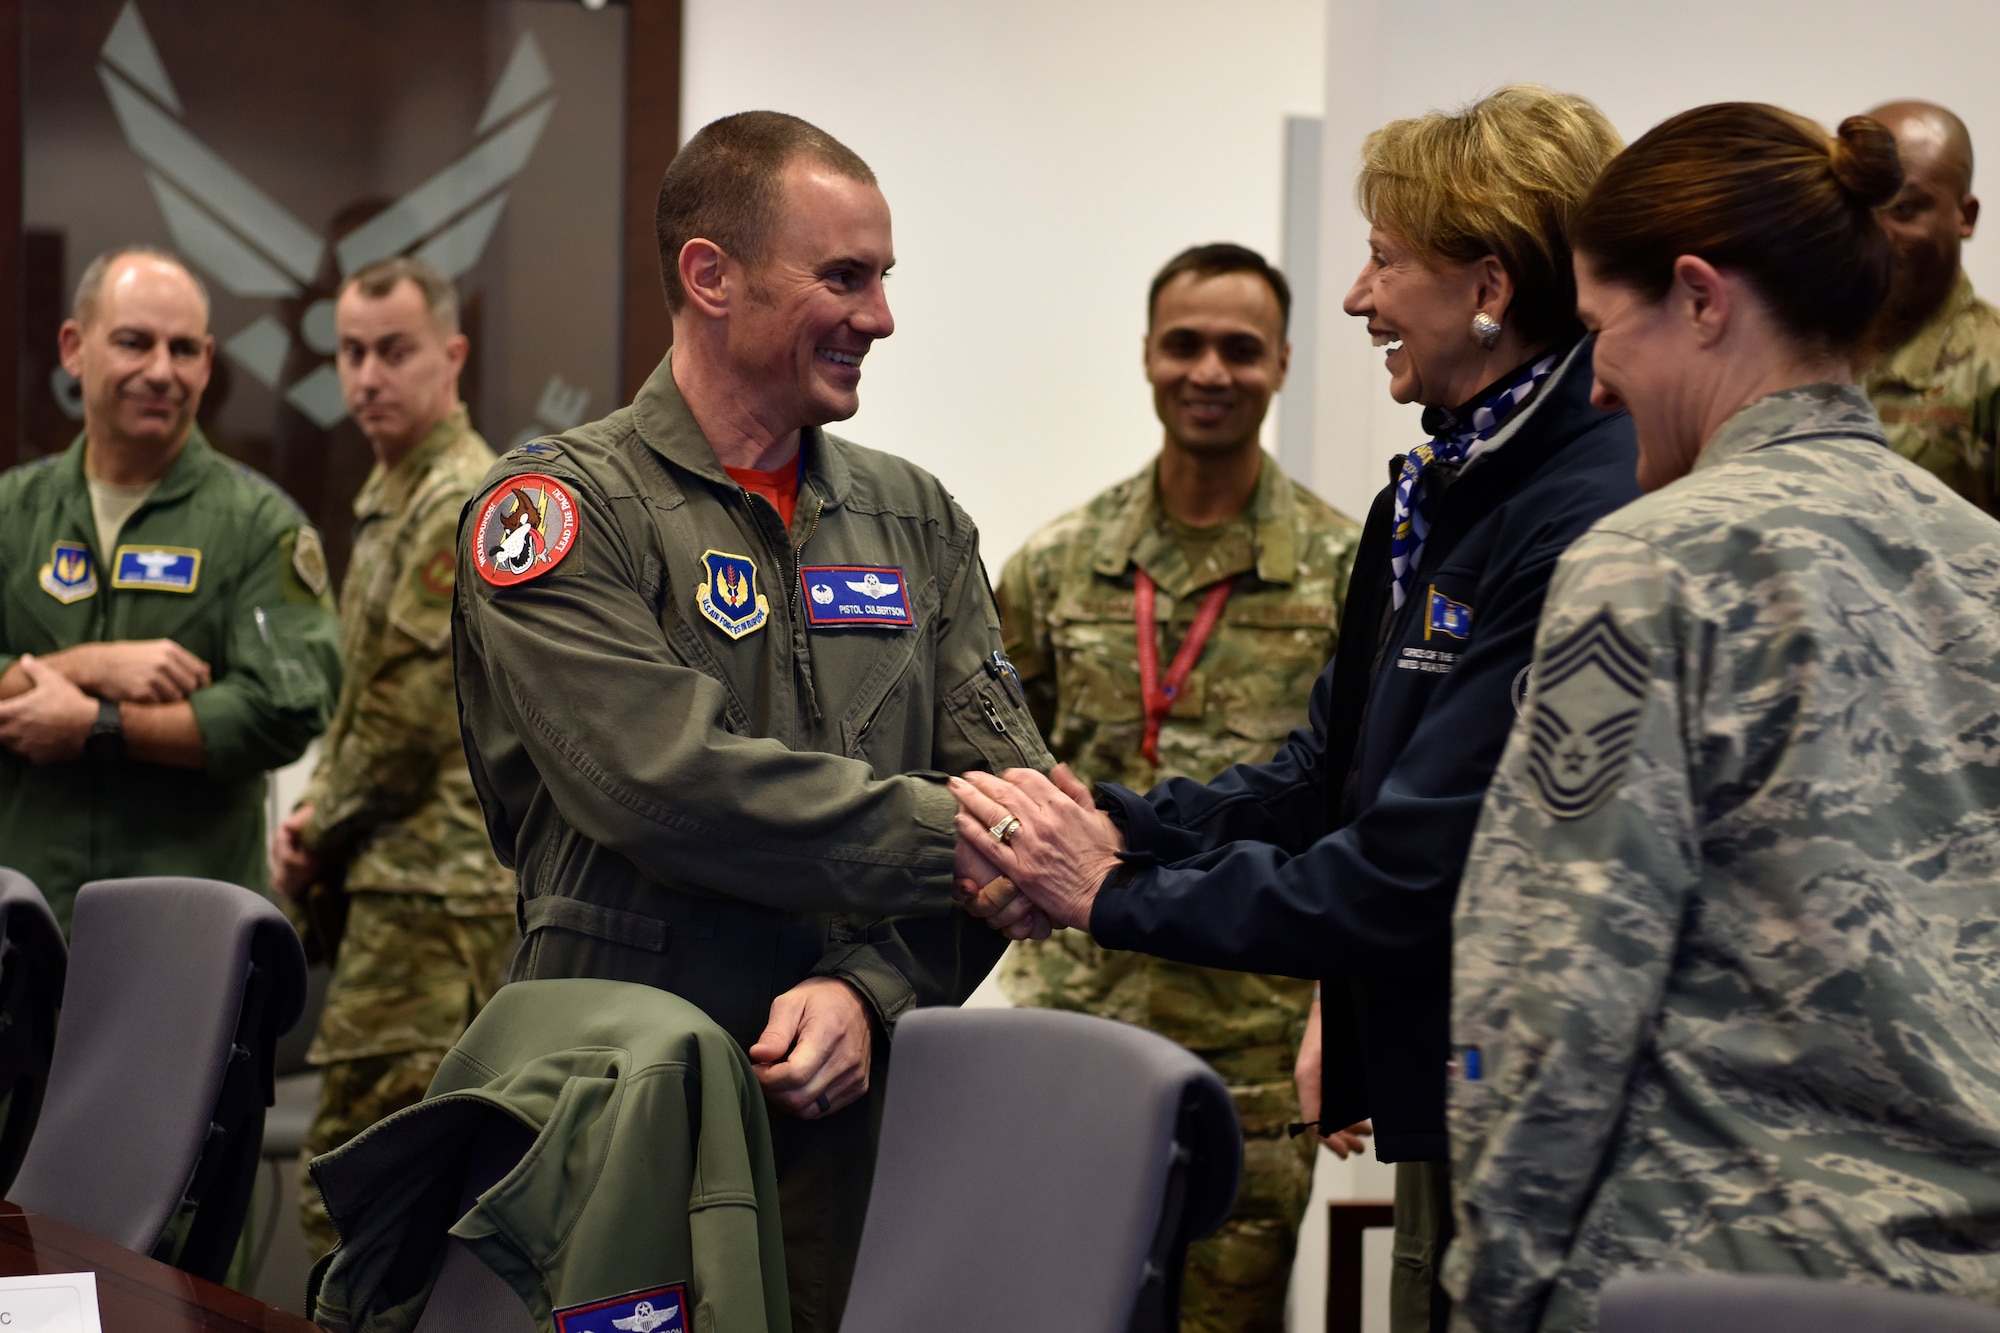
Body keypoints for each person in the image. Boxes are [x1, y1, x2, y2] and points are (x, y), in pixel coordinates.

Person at [949, 85, 1639, 1333]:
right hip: (1446, 1068)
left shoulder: (1578, 505)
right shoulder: (1437, 491)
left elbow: (1408, 865)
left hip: (1539, 1096)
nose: (1355, 298)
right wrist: (1109, 828)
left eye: (1383, 259)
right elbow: (1322, 777)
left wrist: (1106, 890)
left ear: (1487, 282)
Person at [451, 111, 1048, 1332]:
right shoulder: (558, 512)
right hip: (624, 1106)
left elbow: (1016, 810)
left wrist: (872, 991)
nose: (879, 316)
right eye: (844, 276)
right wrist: (973, 837)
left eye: (882, 278)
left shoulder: (914, 520)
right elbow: (658, 783)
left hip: (853, 1120)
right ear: (709, 276)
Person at [1444, 102, 2000, 1333]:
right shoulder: (1983, 562)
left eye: (1600, 330)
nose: (1592, 382)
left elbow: (1550, 979)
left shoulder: (1650, 565)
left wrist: (1494, 1287)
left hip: (1708, 1270)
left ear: (1699, 298)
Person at [995, 242, 1363, 1332]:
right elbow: (993, 767)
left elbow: (1362, 816)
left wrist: (1339, 1007)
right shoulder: (1057, 564)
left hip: (1250, 1040)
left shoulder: (1346, 571)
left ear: (1283, 364)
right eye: (1185, 344)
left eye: (1239, 349)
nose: (1210, 371)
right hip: (1074, 1022)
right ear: (1147, 357)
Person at [267, 256, 517, 1259]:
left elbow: (408, 727)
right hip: (392, 885)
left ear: (451, 356)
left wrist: (314, 825)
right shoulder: (390, 494)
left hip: (433, 902)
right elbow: (356, 700)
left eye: (394, 351)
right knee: (376, 1198)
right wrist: (316, 820)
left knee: (370, 1204)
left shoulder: (460, 498)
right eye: (351, 353)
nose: (367, 376)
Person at [0, 247, 339, 931]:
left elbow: (287, 708)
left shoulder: (258, 525)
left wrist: (99, 727)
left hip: (186, 938)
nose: (161, 370)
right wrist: (86, 666)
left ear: (208, 364)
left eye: (183, 349)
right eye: (133, 342)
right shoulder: (13, 513)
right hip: (24, 927)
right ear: (74, 347)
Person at [1860, 101, 2000, 513]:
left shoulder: (1990, 369)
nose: (1878, 234)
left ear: (1965, 216)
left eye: (1905, 209)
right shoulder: (1802, 346)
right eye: (1862, 209)